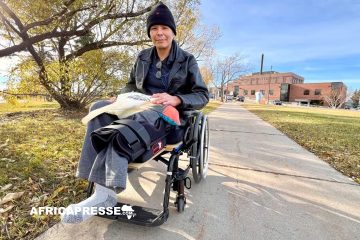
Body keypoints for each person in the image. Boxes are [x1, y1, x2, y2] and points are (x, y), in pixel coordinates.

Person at [61, 2, 209, 223]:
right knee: (99, 108)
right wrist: (120, 97)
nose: (159, 33)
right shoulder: (142, 57)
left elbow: (202, 95)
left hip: (167, 114)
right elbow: (131, 85)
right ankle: (99, 189)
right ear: (150, 33)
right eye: (154, 29)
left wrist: (176, 98)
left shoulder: (187, 60)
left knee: (137, 120)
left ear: (172, 31)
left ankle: (105, 194)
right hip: (138, 105)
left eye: (164, 28)